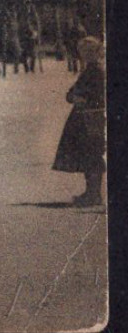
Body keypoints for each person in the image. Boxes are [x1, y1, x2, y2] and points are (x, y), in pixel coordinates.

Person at [52, 36, 105, 207]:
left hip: (90, 117)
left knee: (92, 154)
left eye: (86, 51)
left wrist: (78, 97)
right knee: (89, 154)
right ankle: (91, 192)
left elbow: (94, 95)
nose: (83, 55)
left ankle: (94, 194)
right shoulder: (92, 69)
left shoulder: (96, 71)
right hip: (85, 117)